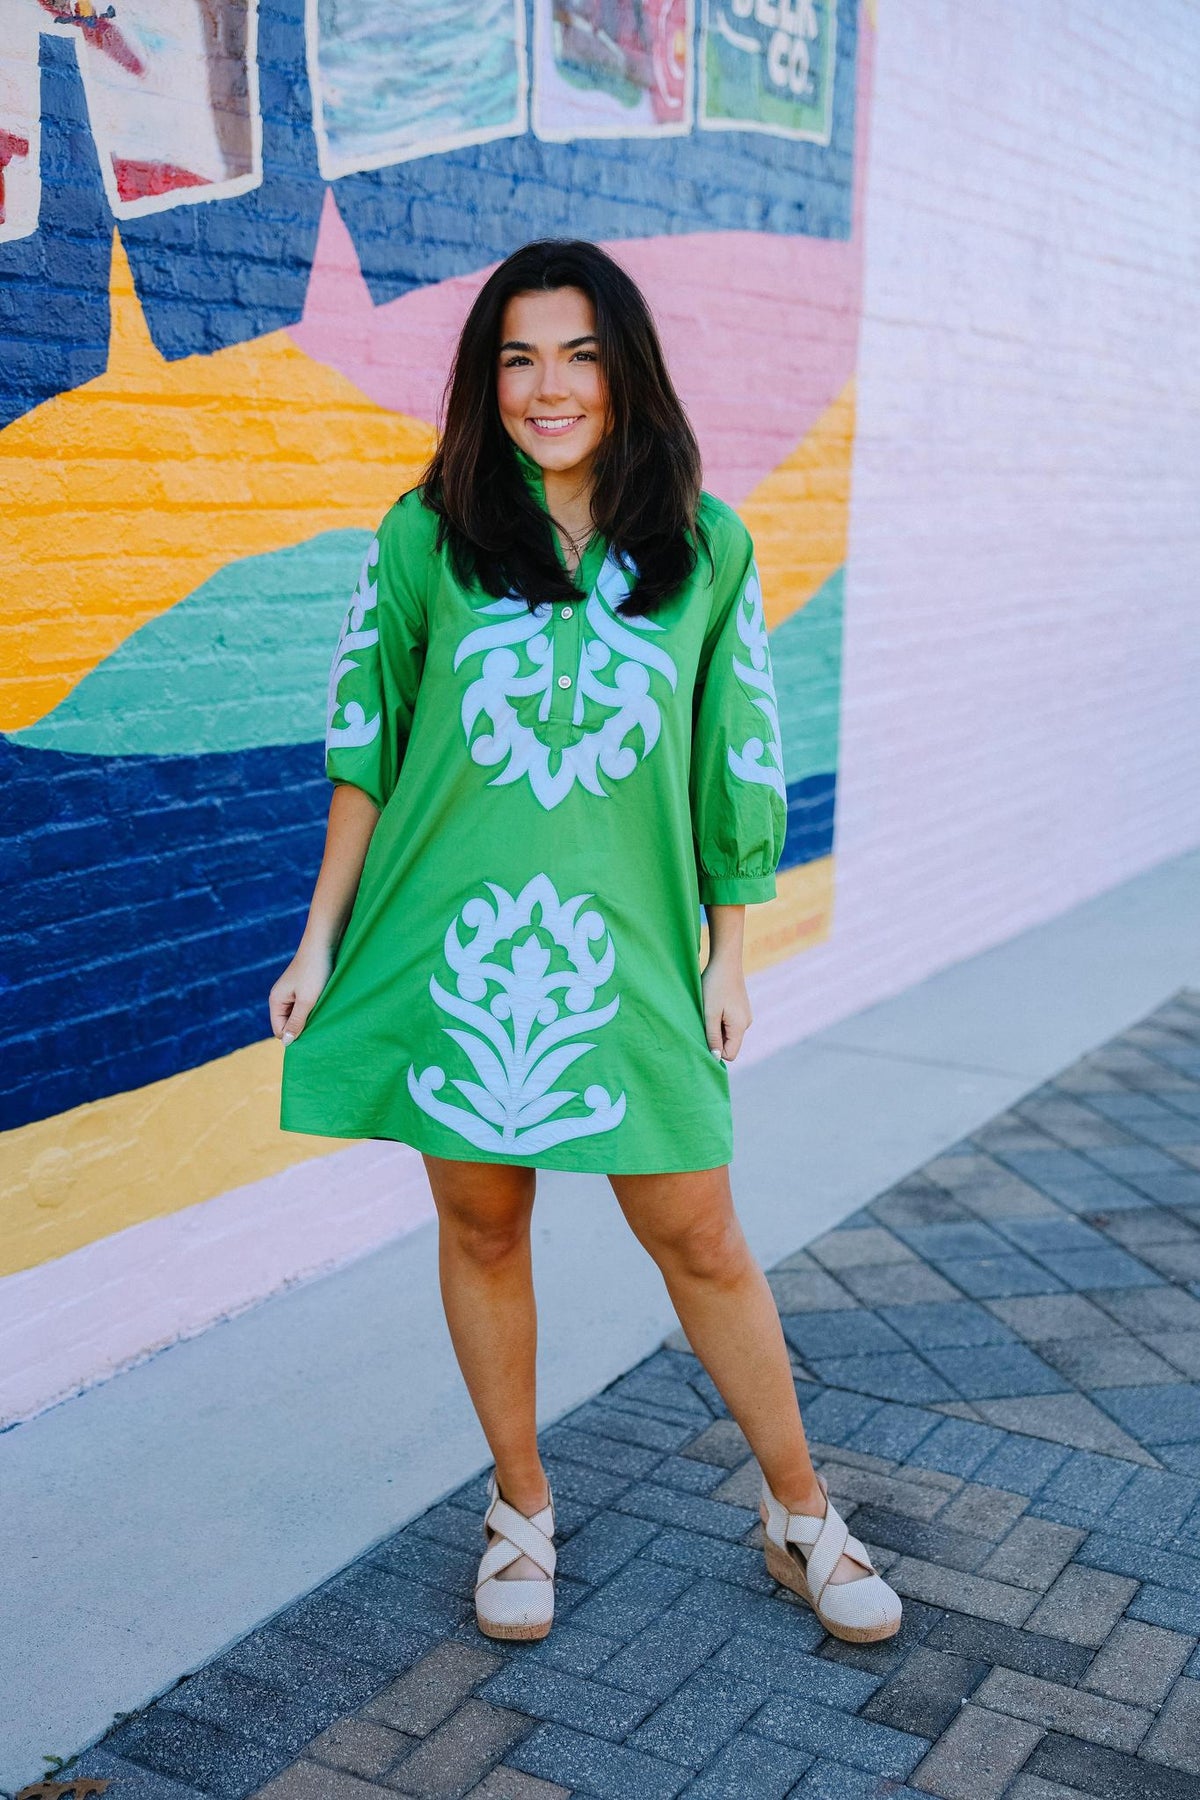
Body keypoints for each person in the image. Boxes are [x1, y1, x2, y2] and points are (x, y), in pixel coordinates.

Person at [270, 239, 902, 1647]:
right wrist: (319, 940)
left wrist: (729, 950)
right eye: (516, 357)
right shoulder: (423, 533)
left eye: (579, 354)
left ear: (625, 371)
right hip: (449, 945)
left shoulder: (706, 541)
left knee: (701, 1232)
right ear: (483, 378)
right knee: (483, 1220)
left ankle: (800, 1512)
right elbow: (364, 741)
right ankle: (520, 1506)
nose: (547, 387)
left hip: (629, 949)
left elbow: (737, 755)